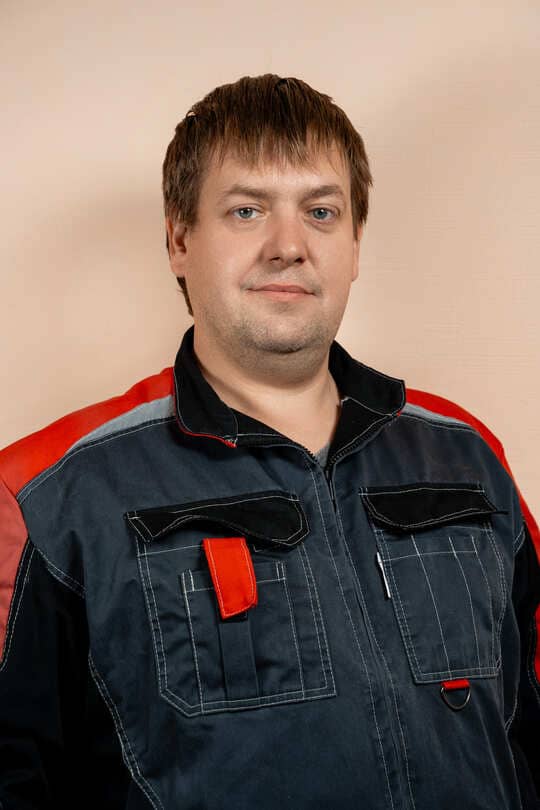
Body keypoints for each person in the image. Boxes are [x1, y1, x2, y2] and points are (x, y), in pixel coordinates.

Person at [0, 74, 539, 810]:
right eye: (247, 210)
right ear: (179, 241)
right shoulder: (44, 493)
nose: (289, 246)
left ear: (355, 245)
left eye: (321, 212)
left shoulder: (465, 454)